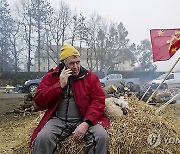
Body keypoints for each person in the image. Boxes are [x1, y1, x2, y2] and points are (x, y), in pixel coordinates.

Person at [30, 45, 110, 154]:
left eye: (78, 62)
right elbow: (40, 101)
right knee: (42, 139)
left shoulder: (90, 77)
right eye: (72, 63)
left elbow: (98, 101)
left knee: (101, 137)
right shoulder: (52, 77)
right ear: (63, 64)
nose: (76, 66)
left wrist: (86, 123)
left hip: (84, 119)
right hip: (59, 120)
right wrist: (59, 85)